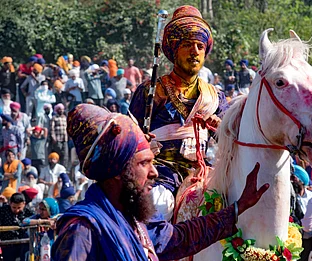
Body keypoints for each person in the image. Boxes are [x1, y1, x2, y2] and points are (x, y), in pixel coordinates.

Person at [51, 103, 269, 260]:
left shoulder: (136, 220)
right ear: (117, 171)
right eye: (144, 163)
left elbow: (179, 238)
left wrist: (238, 208)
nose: (154, 172)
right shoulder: (82, 230)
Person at [128, 5, 229, 198]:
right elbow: (128, 135)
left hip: (201, 175)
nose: (195, 51)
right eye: (187, 45)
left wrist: (220, 127)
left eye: (200, 46)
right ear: (174, 50)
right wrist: (140, 141)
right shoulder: (151, 90)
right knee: (159, 204)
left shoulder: (216, 97)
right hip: (160, 174)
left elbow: (232, 138)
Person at [0, 192, 34, 261]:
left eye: (19, 208)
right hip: (7, 244)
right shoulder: (3, 211)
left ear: (24, 204)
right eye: (14, 207)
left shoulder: (29, 212)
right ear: (10, 203)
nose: (16, 210)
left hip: (23, 244)